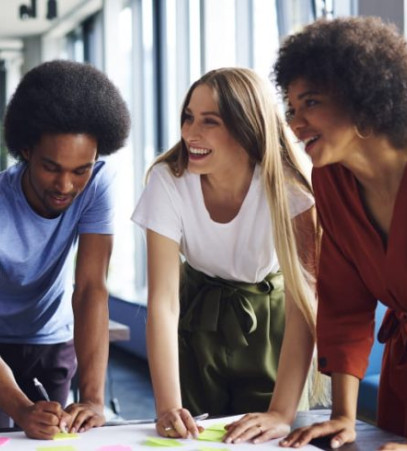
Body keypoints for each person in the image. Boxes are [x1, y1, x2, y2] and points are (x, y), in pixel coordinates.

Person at [131, 68, 321, 444]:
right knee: (193, 437)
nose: (190, 133)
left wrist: (282, 414)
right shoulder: (168, 181)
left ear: (246, 129)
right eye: (188, 117)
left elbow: (304, 305)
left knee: (263, 438)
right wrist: (167, 407)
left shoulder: (291, 191)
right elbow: (164, 303)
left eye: (209, 122)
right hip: (195, 318)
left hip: (272, 326)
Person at [0, 60, 130, 440]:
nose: (65, 184)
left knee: (55, 442)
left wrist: (94, 399)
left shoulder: (97, 184)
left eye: (80, 169)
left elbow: (91, 290)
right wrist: (21, 409)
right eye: (52, 167)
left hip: (53, 341)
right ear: (27, 150)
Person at [274, 17, 407, 450]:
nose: (296, 124)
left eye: (311, 102)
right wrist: (343, 416)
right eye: (292, 109)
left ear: (363, 99)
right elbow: (343, 301)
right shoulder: (331, 181)